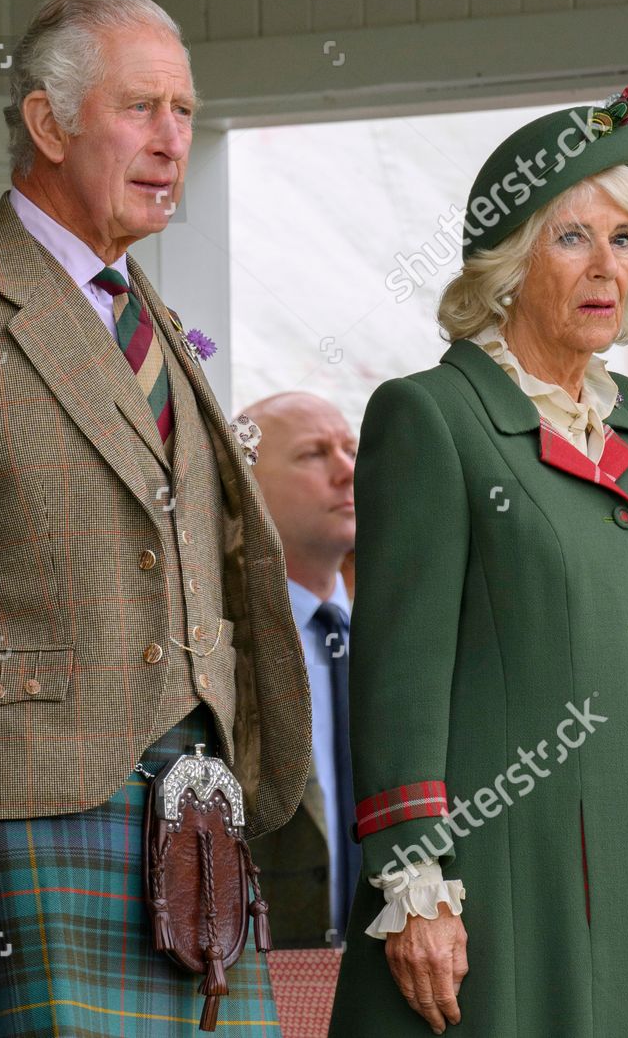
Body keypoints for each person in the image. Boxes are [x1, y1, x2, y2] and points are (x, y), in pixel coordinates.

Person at [0, 0, 311, 1037]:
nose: (173, 140)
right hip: (27, 810)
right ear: (48, 122)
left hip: (198, 817)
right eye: (142, 108)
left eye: (184, 110)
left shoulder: (158, 323)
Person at [329, 94, 628, 1036]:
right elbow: (399, 673)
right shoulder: (431, 415)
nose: (607, 267)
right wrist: (416, 881)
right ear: (510, 268)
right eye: (572, 239)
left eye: (625, 239)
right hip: (515, 894)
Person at [242, 392, 360, 948]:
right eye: (315, 454)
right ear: (247, 486)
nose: (347, 471)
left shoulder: (403, 641)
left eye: (351, 449)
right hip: (261, 983)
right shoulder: (220, 649)